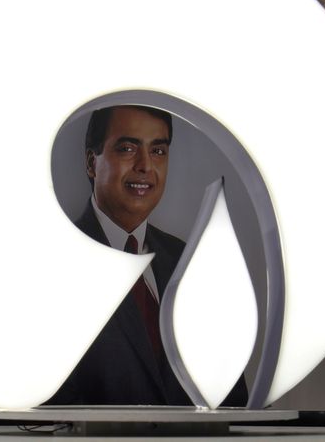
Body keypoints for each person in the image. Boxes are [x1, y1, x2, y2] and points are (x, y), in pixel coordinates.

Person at [49, 105, 247, 406]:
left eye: (158, 151)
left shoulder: (191, 262)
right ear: (92, 162)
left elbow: (232, 397)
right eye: (128, 148)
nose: (145, 166)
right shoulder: (55, 267)